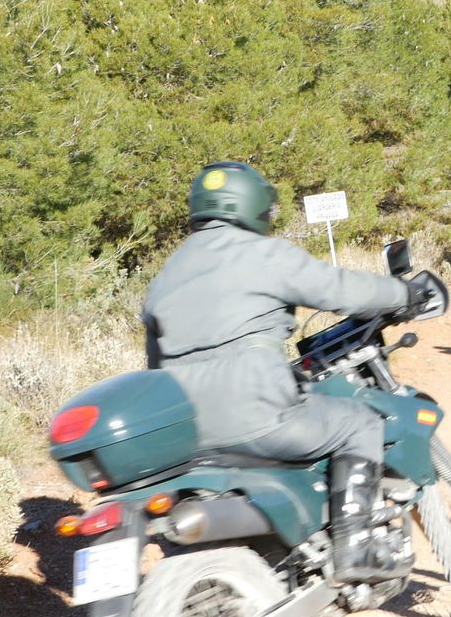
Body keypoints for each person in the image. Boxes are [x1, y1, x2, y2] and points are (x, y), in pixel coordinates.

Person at [141, 161, 431, 583]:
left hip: (188, 438)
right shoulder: (260, 254)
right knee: (360, 424)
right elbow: (340, 290)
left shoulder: (166, 276)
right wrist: (404, 293)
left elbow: (155, 368)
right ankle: (356, 546)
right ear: (253, 205)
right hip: (257, 418)